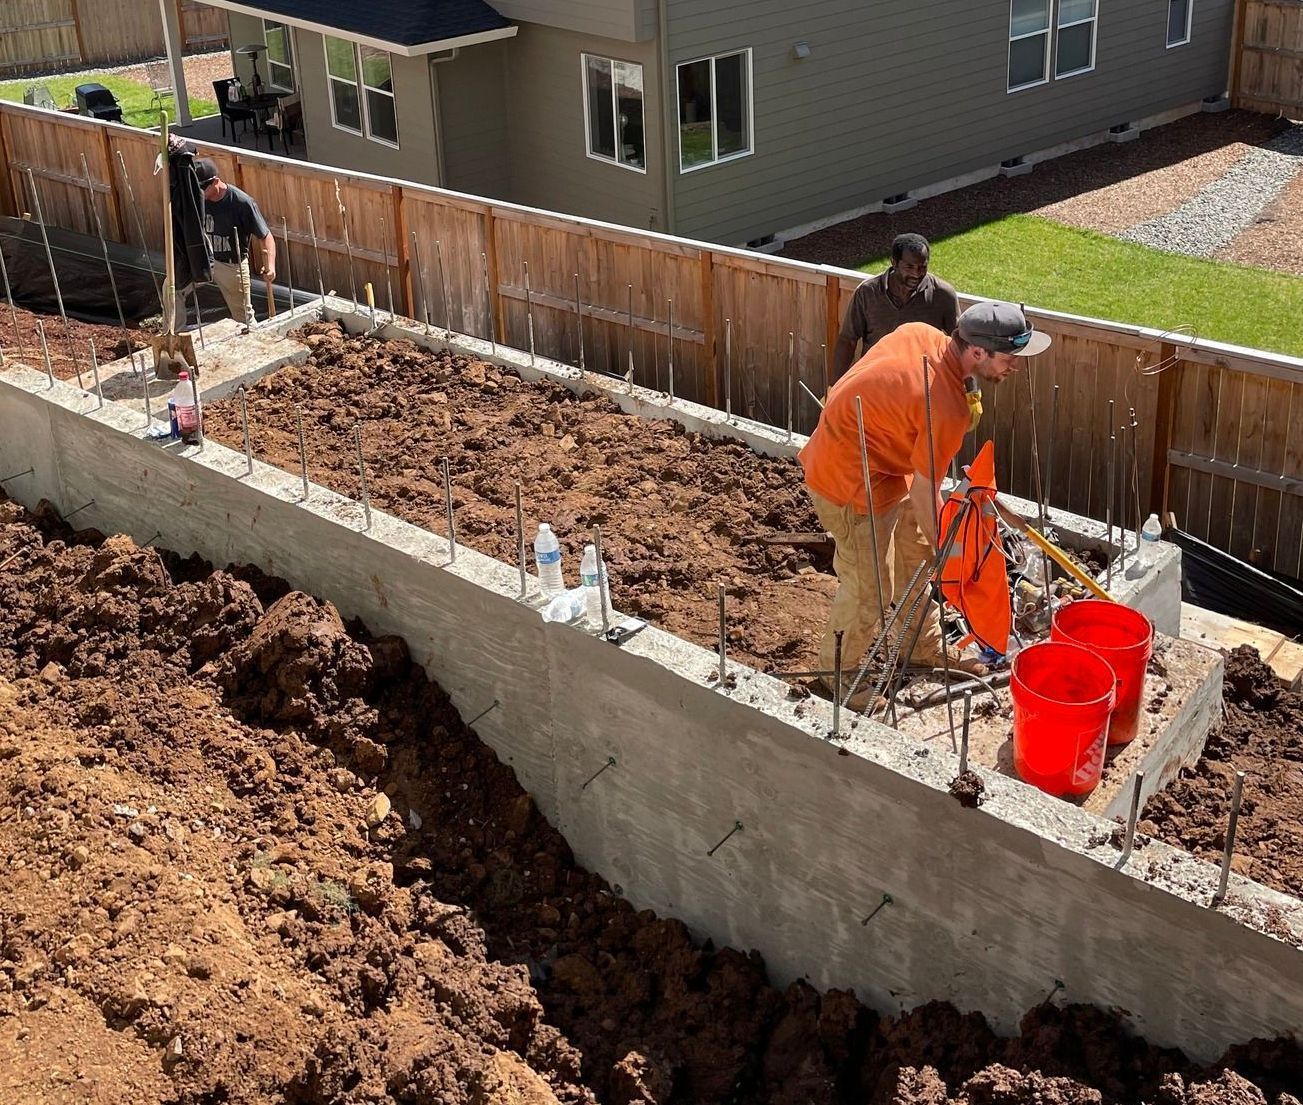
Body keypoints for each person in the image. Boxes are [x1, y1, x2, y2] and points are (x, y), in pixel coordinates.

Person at [799, 301, 1051, 704]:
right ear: (977, 352)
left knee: (914, 561)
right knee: (870, 590)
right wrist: (950, 553)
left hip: (883, 463)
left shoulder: (923, 334)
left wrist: (934, 548)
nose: (1015, 367)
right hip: (848, 481)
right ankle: (837, 675)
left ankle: (920, 647)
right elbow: (924, 489)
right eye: (1009, 357)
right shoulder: (944, 407)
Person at [831, 233, 959, 384]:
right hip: (874, 382)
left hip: (921, 386)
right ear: (894, 262)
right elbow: (848, 339)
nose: (916, 274)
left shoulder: (942, 295)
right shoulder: (868, 292)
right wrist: (834, 386)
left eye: (922, 267)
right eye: (909, 267)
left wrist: (972, 391)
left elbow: (960, 343)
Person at [193, 158, 275, 331]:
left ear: (215, 182)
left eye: (202, 188)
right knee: (172, 290)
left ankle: (256, 346)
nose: (199, 192)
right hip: (203, 259)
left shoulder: (241, 202)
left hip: (232, 265)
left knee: (243, 318)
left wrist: (270, 266)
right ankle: (174, 336)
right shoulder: (197, 198)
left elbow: (265, 236)